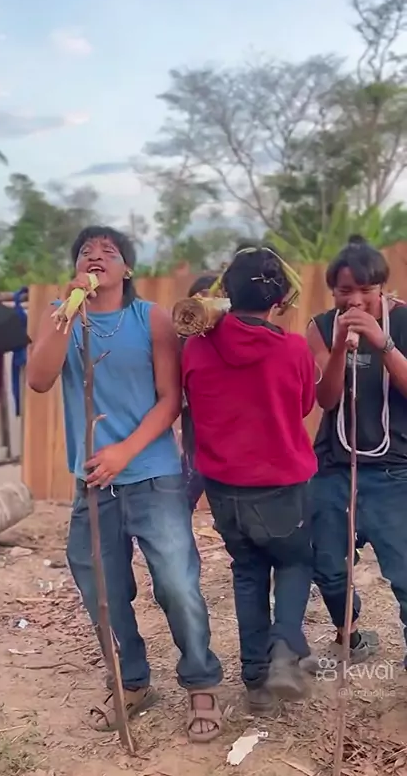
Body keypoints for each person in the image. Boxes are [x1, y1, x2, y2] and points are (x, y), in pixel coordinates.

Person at [26, 225, 223, 742]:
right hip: (92, 483)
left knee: (177, 583)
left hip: (152, 475)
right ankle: (132, 680)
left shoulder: (150, 318)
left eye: (108, 252)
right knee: (102, 589)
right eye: (85, 252)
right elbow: (39, 380)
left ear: (127, 268)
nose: (95, 257)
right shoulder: (60, 315)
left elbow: (170, 399)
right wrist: (67, 315)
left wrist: (124, 451)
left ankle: (201, 682)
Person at [183, 244, 317, 714]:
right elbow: (304, 405)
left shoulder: (196, 348)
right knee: (296, 562)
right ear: (279, 299)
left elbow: (192, 401)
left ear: (226, 293)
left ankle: (255, 681)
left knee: (248, 572)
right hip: (281, 487)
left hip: (224, 490)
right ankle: (284, 648)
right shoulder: (293, 348)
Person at [307, 240, 407, 667]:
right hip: (334, 467)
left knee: (404, 573)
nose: (355, 300)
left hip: (394, 469)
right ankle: (349, 632)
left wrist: (382, 343)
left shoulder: (402, 320)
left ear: (382, 287)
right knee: (327, 566)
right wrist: (337, 350)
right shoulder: (320, 326)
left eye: (365, 290)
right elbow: (326, 399)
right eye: (345, 291)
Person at [180, 274, 218, 514]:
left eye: (210, 297)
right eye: (198, 298)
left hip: (224, 430)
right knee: (190, 483)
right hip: (195, 427)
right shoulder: (183, 339)